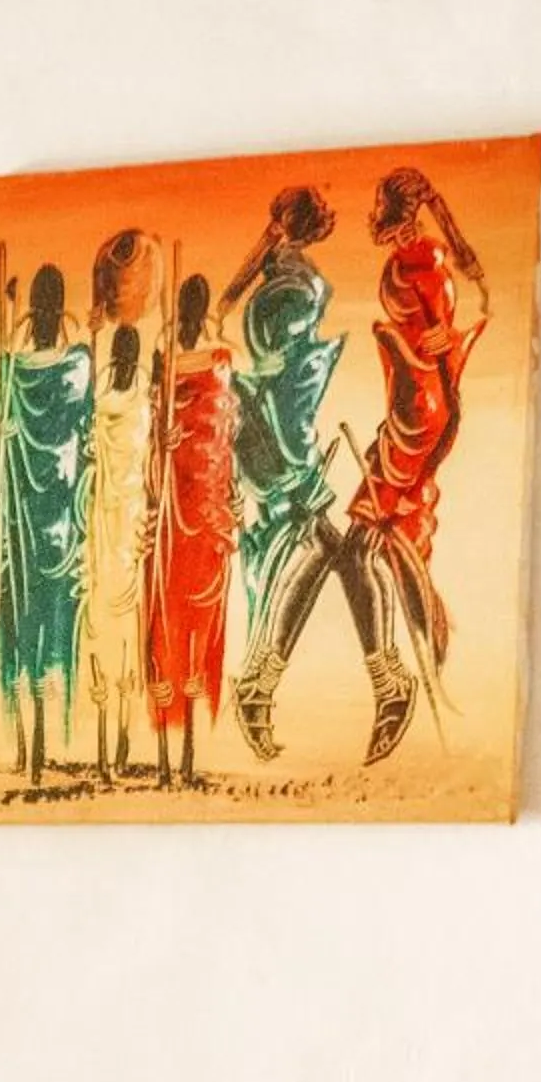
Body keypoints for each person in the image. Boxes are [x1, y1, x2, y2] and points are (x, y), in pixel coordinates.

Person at [228, 166, 489, 769]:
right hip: (305, 437)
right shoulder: (301, 286)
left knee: (352, 550)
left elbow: (432, 346)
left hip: (409, 416)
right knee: (338, 549)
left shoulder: (411, 264)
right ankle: (322, 685)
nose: (365, 216)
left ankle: (308, 685)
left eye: (377, 205)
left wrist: (409, 361)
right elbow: (286, 374)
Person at [219, 186, 345, 760]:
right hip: (274, 434)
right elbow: (288, 370)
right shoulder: (296, 284)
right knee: (306, 549)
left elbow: (290, 368)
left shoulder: (285, 281)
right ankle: (257, 684)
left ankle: (259, 684)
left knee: (302, 550)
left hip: (271, 426)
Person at [0, 261, 95, 786]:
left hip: (28, 527)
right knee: (49, 625)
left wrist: (10, 328)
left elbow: (0, 459)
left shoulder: (15, 372)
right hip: (55, 528)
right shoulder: (76, 368)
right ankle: (36, 747)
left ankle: (34, 749)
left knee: (25, 623)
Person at [142, 273, 238, 787]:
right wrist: (163, 438)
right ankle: (171, 757)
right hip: (182, 507)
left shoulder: (212, 363)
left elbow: (227, 432)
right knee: (179, 619)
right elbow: (155, 429)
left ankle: (182, 756)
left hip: (202, 508)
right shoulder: (173, 363)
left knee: (187, 618)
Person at [80, 321, 153, 780]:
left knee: (109, 624)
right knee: (123, 626)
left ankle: (114, 741)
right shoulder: (143, 397)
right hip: (124, 520)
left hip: (114, 521)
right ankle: (116, 739)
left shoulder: (110, 396)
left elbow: (92, 442)